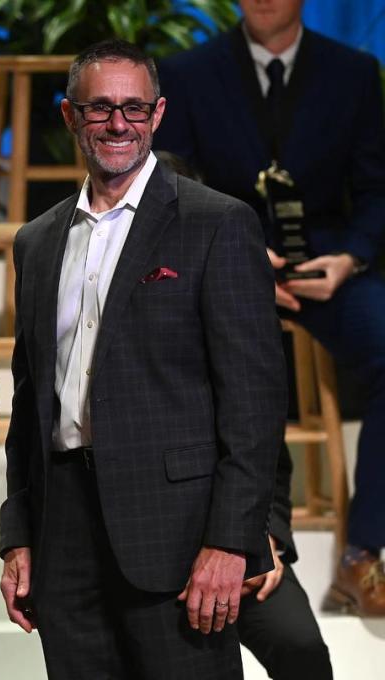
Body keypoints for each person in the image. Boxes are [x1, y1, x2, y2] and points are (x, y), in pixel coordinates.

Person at [0, 39, 287, 679]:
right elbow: (31, 403)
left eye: (134, 108)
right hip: (64, 527)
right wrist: (20, 533)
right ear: (71, 117)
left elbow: (255, 402)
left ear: (158, 115)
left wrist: (230, 540)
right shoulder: (38, 241)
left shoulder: (217, 224)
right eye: (100, 109)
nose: (118, 124)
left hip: (179, 532)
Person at [155, 0, 385, 617]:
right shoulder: (187, 72)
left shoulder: (355, 71)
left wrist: (352, 258)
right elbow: (172, 180)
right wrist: (239, 253)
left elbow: (374, 188)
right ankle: (205, 541)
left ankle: (364, 555)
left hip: (326, 272)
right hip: (225, 267)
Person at [155, 151, 333, 678]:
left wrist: (267, 539)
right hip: (154, 549)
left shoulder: (233, 297)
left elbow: (266, 449)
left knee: (301, 647)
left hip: (245, 536)